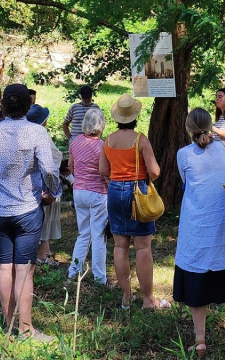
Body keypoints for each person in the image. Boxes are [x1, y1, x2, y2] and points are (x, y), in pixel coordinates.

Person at [0, 84, 62, 343]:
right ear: (28, 106)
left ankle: (9, 326)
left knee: (5, 267)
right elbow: (49, 171)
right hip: (27, 208)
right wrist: (54, 192)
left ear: (2, 104)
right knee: (24, 269)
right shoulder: (36, 132)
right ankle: (26, 330)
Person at [174, 108, 225, 358]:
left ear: (188, 129)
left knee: (196, 281)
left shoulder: (183, 155)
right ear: (211, 126)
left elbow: (186, 183)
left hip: (197, 228)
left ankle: (200, 342)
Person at [98, 94, 168, 310]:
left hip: (115, 192)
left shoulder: (108, 140)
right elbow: (155, 171)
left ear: (118, 117)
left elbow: (103, 170)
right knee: (143, 247)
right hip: (138, 191)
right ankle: (148, 299)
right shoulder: (140, 140)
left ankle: (127, 298)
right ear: (135, 116)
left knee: (120, 246)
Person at [67, 108, 108, 285]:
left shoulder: (75, 141)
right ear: (101, 126)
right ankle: (100, 277)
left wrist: (80, 179)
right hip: (98, 192)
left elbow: (70, 165)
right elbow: (105, 171)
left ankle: (73, 271)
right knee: (98, 235)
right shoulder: (103, 146)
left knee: (83, 233)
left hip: (79, 190)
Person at [28, 104, 62, 265]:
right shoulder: (42, 135)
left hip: (30, 183)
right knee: (47, 217)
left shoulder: (25, 134)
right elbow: (55, 157)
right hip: (45, 182)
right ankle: (42, 254)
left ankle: (44, 250)